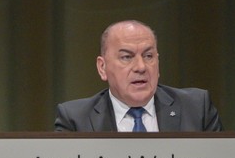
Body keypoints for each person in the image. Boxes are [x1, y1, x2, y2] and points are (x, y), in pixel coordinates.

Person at [54, 20, 222, 132]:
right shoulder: (75, 120)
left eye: (148, 56)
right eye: (127, 57)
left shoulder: (197, 108)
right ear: (102, 67)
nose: (141, 67)